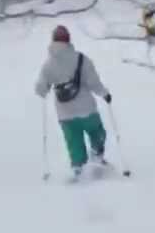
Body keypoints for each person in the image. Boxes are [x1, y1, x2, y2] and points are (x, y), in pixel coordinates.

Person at [33, 25, 113, 181]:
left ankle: (79, 169)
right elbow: (94, 82)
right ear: (68, 40)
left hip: (65, 114)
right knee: (97, 132)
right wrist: (105, 94)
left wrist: (45, 89)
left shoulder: (48, 65)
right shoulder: (81, 59)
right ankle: (97, 155)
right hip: (87, 109)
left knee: (74, 142)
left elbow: (40, 89)